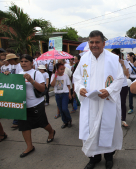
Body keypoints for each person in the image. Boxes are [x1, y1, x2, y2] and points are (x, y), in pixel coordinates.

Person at [73, 30, 124, 169]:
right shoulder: (83, 58)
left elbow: (120, 78)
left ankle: (109, 158)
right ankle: (93, 158)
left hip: (106, 102)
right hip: (90, 102)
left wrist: (109, 90)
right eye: (91, 42)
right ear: (88, 43)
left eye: (97, 42)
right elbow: (77, 78)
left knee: (107, 128)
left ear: (103, 43)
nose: (94, 45)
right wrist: (80, 88)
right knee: (90, 129)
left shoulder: (113, 58)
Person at [17, 54, 55, 158]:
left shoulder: (36, 73)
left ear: (31, 63)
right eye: (21, 61)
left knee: (42, 123)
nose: (23, 63)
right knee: (24, 126)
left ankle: (51, 131)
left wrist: (31, 80)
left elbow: (42, 89)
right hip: (23, 105)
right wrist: (7, 76)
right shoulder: (19, 73)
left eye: (26, 61)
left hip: (36, 104)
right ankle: (29, 146)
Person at [112, 49, 131, 127]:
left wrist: (123, 64)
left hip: (123, 85)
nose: (113, 56)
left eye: (115, 54)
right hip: (113, 86)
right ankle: (114, 119)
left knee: (122, 103)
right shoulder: (110, 63)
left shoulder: (124, 62)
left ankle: (123, 120)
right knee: (113, 103)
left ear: (118, 55)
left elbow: (127, 74)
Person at [50, 63, 72, 128]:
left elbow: (68, 85)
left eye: (63, 69)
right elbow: (52, 85)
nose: (62, 70)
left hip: (65, 94)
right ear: (56, 69)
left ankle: (69, 119)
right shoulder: (53, 75)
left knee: (64, 108)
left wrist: (70, 94)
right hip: (57, 95)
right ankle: (65, 122)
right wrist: (55, 77)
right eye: (61, 69)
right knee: (61, 109)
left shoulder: (65, 76)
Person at [4, 53, 23, 129]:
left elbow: (20, 76)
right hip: (14, 87)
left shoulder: (19, 66)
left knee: (17, 104)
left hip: (19, 87)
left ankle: (16, 121)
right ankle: (17, 121)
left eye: (8, 60)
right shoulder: (12, 66)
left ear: (11, 60)